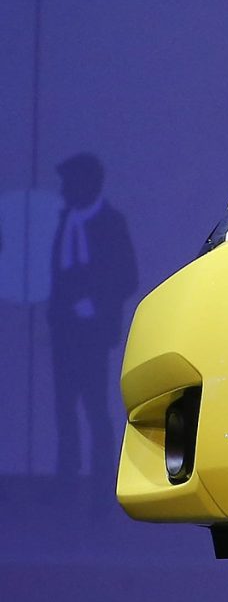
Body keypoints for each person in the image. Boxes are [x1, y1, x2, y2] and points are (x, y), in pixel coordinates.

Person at [48, 153, 135, 481]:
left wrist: (95, 302)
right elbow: (59, 275)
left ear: (88, 183)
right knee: (64, 411)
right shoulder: (65, 221)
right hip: (64, 333)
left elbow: (128, 276)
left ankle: (102, 485)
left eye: (70, 181)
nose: (64, 189)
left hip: (93, 335)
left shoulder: (111, 223)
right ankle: (65, 482)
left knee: (96, 409)